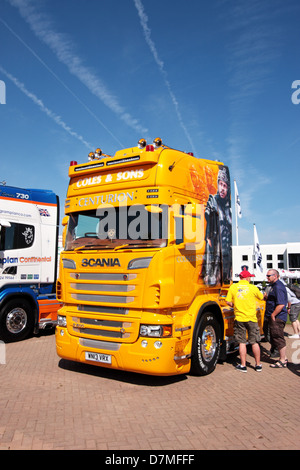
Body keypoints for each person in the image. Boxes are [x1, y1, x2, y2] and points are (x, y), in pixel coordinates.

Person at [226, 270, 264, 372]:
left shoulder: (233, 287)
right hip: (251, 318)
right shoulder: (253, 287)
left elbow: (227, 301)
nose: (250, 278)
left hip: (239, 318)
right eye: (250, 277)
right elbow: (262, 297)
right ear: (247, 278)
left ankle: (243, 365)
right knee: (254, 342)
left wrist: (234, 306)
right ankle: (258, 365)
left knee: (242, 342)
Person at [203, 165, 232, 286]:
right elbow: (208, 216)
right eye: (220, 184)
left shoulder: (228, 207)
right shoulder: (213, 201)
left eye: (225, 186)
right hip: (215, 252)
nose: (222, 188)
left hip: (226, 255)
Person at [265, 269, 288, 368]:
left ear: (275, 276)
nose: (267, 277)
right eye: (267, 275)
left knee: (278, 337)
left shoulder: (278, 287)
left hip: (278, 317)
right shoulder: (273, 286)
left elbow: (281, 304)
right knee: (275, 337)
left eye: (269, 275)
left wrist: (273, 315)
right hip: (274, 315)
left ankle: (283, 360)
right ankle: (283, 357)